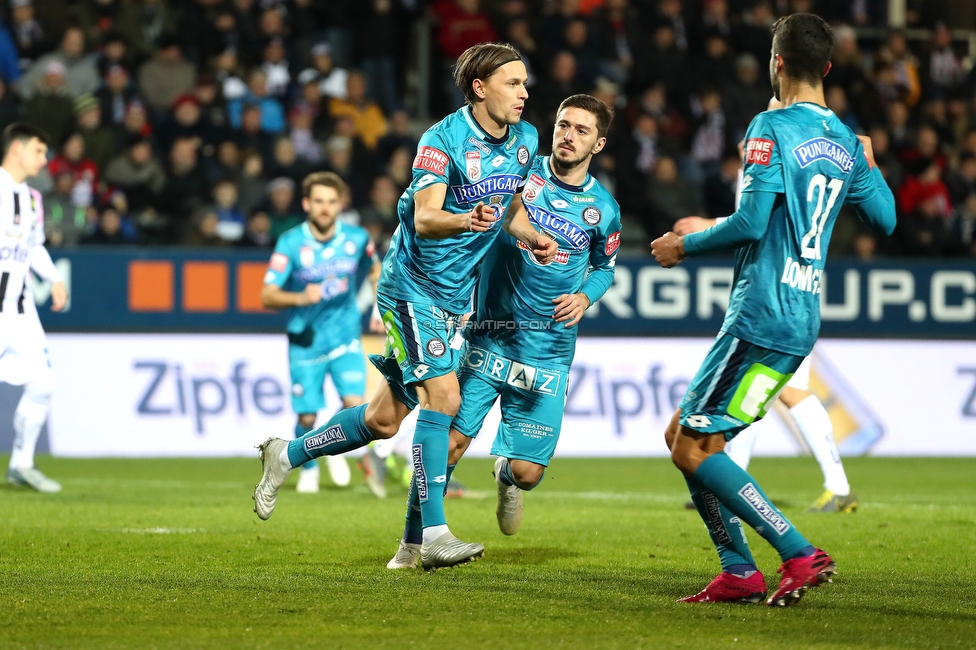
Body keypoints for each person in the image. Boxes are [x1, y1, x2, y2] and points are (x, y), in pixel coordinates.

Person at [252, 42, 556, 571]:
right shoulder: (441, 140)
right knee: (443, 400)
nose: (525, 93)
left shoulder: (526, 139)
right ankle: (433, 535)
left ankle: (289, 455)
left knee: (384, 420)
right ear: (480, 88)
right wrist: (468, 219)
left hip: (455, 299)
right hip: (411, 287)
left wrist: (533, 236)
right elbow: (425, 218)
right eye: (513, 83)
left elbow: (507, 211)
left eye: (525, 82)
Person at [650, 14, 895, 607]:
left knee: (689, 447)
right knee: (684, 434)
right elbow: (885, 219)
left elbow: (751, 223)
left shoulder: (770, 126)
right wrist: (868, 159)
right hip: (800, 318)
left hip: (760, 311)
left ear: (776, 62)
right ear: (828, 69)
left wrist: (685, 244)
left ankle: (797, 552)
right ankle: (739, 570)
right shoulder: (844, 140)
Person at [395, 94, 619, 563]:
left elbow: (604, 267)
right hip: (490, 335)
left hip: (549, 350)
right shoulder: (520, 169)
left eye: (581, 130)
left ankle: (506, 477)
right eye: (563, 124)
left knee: (528, 471)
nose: (567, 135)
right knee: (449, 442)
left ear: (598, 143)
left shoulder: (604, 209)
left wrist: (585, 295)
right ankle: (413, 544)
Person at [674, 99, 858, 515]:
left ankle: (839, 483)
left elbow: (757, 223)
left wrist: (705, 229)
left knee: (790, 391)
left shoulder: (784, 150)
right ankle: (730, 478)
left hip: (785, 295)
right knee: (752, 391)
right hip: (777, 291)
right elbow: (761, 218)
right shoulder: (776, 149)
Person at [261, 171, 382, 494]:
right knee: (307, 416)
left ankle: (330, 448)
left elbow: (375, 269)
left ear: (340, 204)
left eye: (331, 201)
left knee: (354, 402)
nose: (325, 208)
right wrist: (301, 296)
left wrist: (377, 309)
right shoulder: (290, 242)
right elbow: (267, 294)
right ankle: (309, 466)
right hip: (305, 342)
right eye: (318, 201)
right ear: (306, 204)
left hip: (345, 336)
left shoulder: (357, 238)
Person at [1, 123, 68, 493]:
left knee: (43, 383)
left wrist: (54, 278)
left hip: (22, 310)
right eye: (40, 151)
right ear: (17, 150)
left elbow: (34, 246)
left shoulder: (31, 198)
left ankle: (21, 465)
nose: (45, 160)